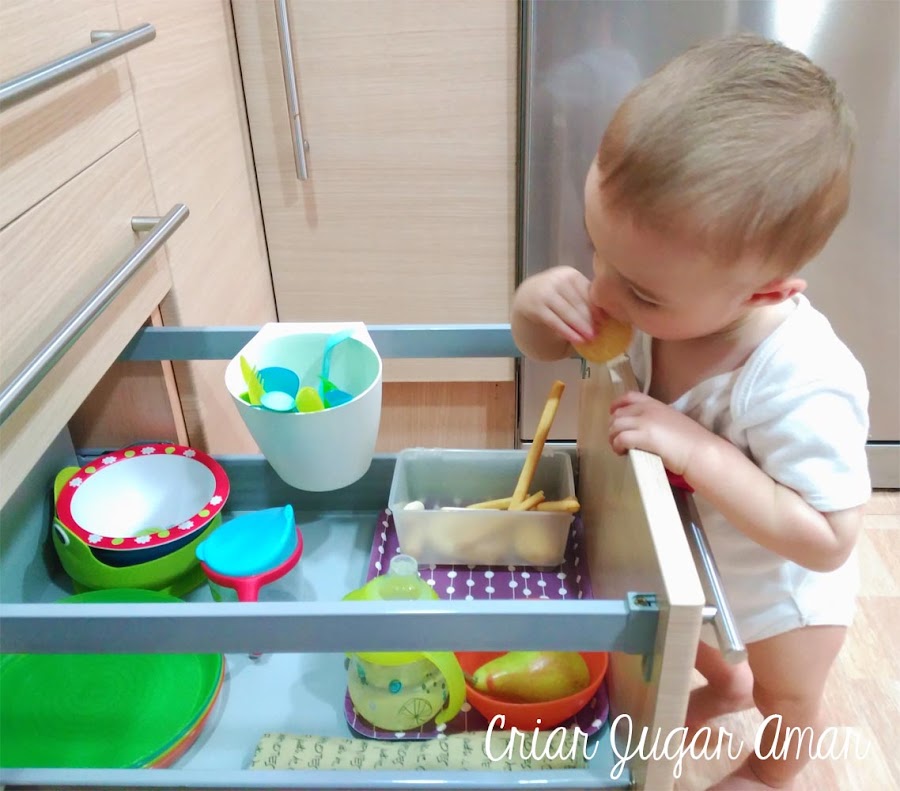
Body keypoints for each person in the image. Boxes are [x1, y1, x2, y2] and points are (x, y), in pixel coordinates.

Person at [511, 33, 871, 790]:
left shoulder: (801, 379)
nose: (605, 293)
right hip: (698, 551)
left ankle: (767, 773)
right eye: (594, 248)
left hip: (782, 594)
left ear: (768, 291)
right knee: (699, 630)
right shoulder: (663, 287)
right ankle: (724, 681)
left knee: (787, 693)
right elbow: (545, 344)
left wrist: (698, 451)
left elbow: (830, 538)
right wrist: (535, 308)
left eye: (640, 293)